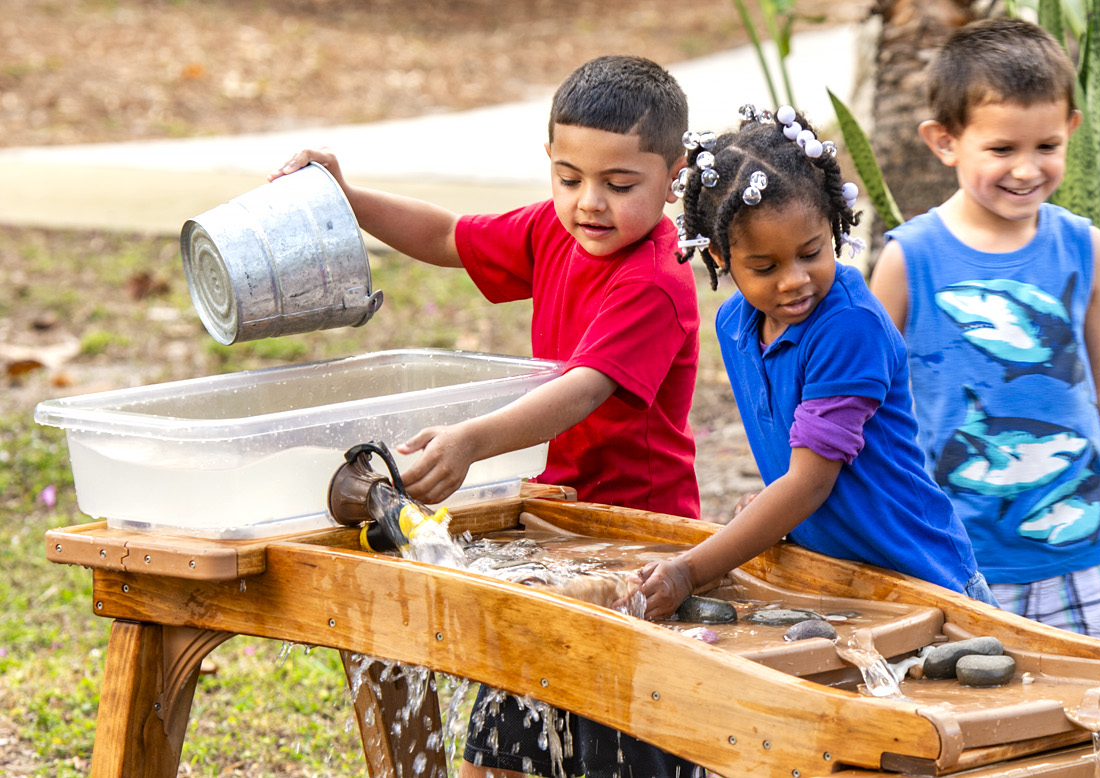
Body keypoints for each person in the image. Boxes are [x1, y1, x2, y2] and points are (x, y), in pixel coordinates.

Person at [273, 55, 703, 778]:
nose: (589, 202)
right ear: (549, 164)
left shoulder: (654, 281)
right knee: (501, 749)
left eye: (619, 184)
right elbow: (448, 238)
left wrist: (475, 438)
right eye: (569, 179)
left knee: (620, 748)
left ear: (673, 175)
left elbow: (586, 388)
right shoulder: (552, 233)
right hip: (551, 528)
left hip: (633, 542)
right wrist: (347, 199)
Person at [867, 18, 1100, 644]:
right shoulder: (909, 260)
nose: (1025, 169)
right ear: (944, 141)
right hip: (960, 561)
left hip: (1087, 551)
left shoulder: (1087, 249)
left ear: (1070, 128)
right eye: (1001, 149)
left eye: (1045, 146)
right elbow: (866, 407)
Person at [636, 104, 995, 622]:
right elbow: (794, 458)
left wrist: (689, 570)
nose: (794, 280)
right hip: (836, 578)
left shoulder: (849, 327)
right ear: (719, 256)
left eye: (812, 252)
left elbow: (810, 481)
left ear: (833, 225)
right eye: (765, 266)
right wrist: (768, 508)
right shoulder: (736, 325)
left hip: (925, 583)